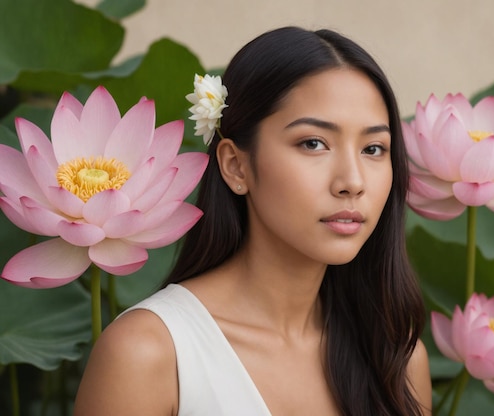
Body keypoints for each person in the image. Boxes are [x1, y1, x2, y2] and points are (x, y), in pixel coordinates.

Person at [74, 26, 432, 415]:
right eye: (313, 143)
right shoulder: (149, 354)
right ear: (236, 166)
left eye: (373, 148)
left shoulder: (396, 362)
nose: (352, 182)